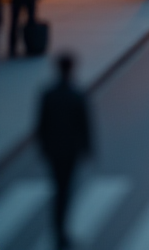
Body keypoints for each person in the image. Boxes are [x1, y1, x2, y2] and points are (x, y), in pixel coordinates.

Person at [35, 54, 92, 250]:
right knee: (65, 192)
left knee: (58, 190)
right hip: (70, 153)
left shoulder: (48, 95)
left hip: (53, 152)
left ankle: (58, 230)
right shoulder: (76, 95)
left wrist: (42, 148)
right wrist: (88, 150)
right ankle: (61, 232)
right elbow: (85, 126)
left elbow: (41, 125)